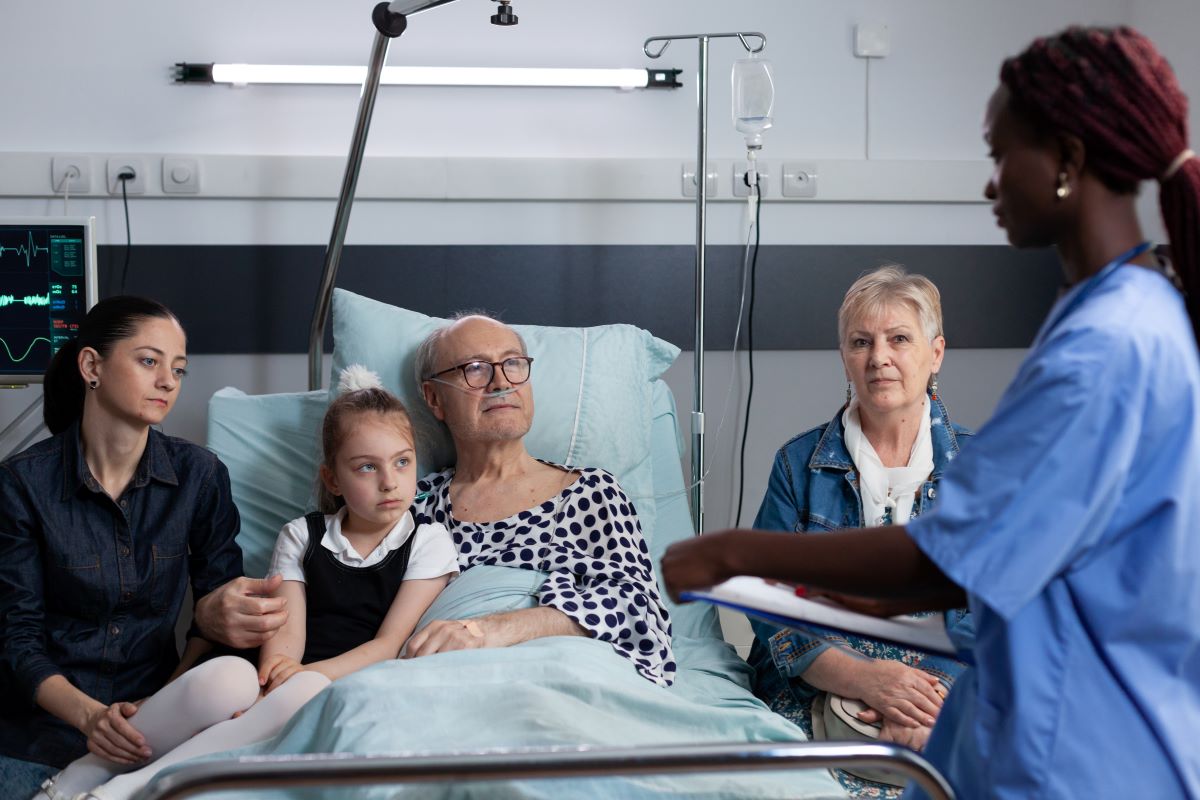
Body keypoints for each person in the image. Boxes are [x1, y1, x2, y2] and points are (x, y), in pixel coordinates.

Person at [661, 26, 1200, 799]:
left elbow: (948, 561)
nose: (989, 186)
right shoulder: (1128, 316)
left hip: (1076, 747)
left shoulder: (1104, 349)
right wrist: (853, 610)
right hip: (1052, 725)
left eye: (998, 153)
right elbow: (985, 564)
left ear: (1068, 162)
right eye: (860, 342)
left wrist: (730, 555)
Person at [36, 366, 458, 800]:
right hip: (281, 673)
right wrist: (268, 684)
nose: (390, 481)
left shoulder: (427, 541)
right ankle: (86, 770)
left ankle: (136, 785)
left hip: (340, 678)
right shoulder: (302, 534)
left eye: (402, 462)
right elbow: (284, 634)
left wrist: (299, 680)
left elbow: (388, 646)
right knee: (229, 676)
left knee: (306, 691)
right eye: (366, 467)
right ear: (333, 478)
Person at [0, 297, 287, 798]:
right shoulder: (22, 485)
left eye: (178, 369)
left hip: (156, 726)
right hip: (41, 733)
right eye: (149, 361)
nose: (168, 381)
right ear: (92, 366)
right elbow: (16, 639)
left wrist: (166, 701)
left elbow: (212, 615)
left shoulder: (200, 477)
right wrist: (92, 718)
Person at [749, 266, 972, 795]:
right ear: (845, 357)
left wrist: (925, 698)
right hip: (823, 679)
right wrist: (864, 679)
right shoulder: (797, 464)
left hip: (947, 680)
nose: (879, 358)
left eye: (899, 339)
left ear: (935, 353)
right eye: (861, 342)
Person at [406, 312, 676, 687]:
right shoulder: (415, 508)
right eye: (475, 368)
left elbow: (640, 615)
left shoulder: (591, 494)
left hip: (559, 680)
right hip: (443, 683)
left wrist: (491, 632)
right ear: (435, 399)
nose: (501, 382)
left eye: (513, 364)